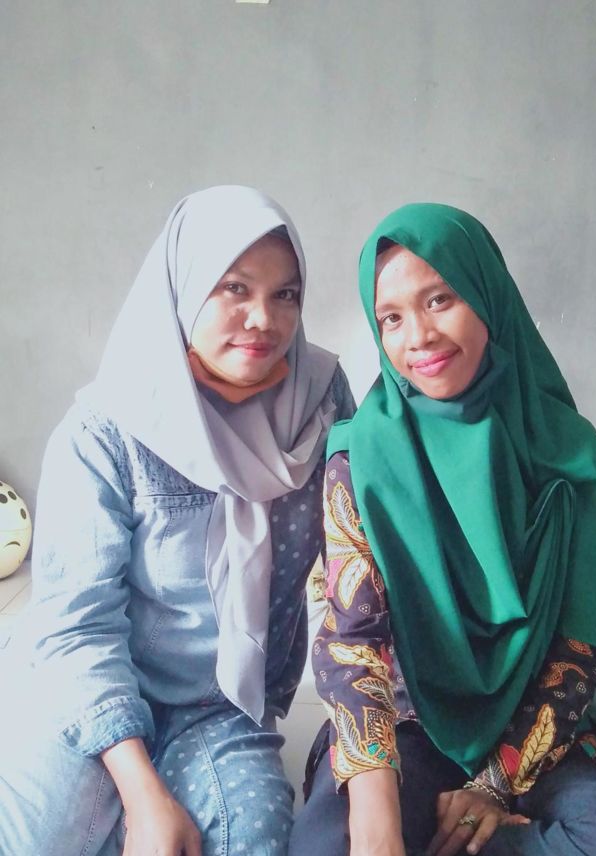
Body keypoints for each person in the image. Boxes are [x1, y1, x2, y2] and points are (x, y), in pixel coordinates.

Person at [0, 185, 354, 856]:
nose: (263, 319)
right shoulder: (107, 429)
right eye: (234, 288)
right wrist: (143, 795)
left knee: (251, 841)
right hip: (92, 687)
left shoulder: (321, 399)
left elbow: (360, 558)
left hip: (220, 706)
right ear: (183, 287)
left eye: (285, 294)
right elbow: (79, 626)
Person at [290, 203, 596, 856]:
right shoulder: (360, 456)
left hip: (543, 736)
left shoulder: (570, 454)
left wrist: (495, 785)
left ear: (486, 295)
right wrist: (375, 817)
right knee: (326, 844)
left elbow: (582, 646)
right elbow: (353, 643)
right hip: (408, 722)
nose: (418, 336)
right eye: (392, 318)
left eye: (439, 300)